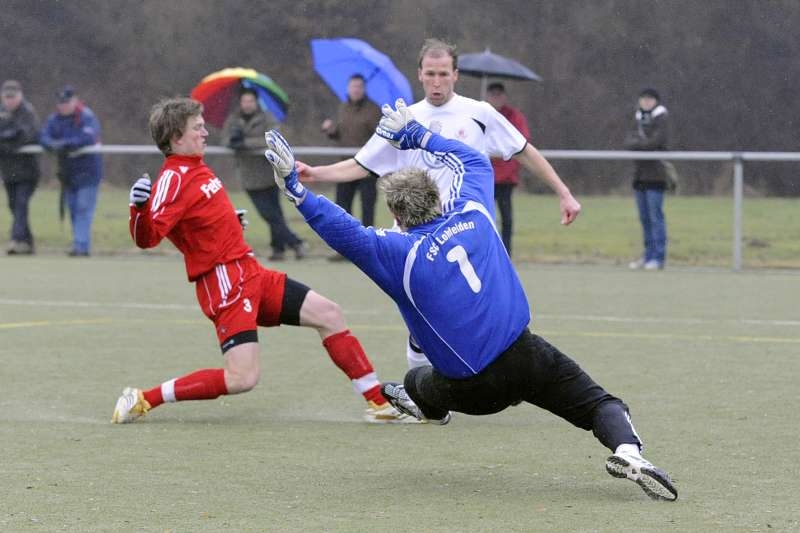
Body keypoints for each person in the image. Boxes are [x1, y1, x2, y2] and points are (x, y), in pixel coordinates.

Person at [263, 100, 677, 501]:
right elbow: (474, 161)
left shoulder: (398, 254)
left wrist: (297, 191)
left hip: (473, 389)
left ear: (398, 215)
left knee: (414, 382)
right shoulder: (475, 212)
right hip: (526, 353)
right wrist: (417, 135)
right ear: (440, 199)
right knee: (601, 404)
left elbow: (344, 231)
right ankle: (629, 452)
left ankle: (427, 405)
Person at [110, 97, 412, 424]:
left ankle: (378, 403)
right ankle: (143, 398)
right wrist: (138, 209)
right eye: (197, 128)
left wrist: (227, 223)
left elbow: (193, 221)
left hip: (251, 273)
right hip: (225, 284)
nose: (205, 133)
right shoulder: (173, 177)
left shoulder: (196, 165)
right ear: (175, 137)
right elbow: (149, 236)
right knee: (243, 378)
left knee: (329, 313)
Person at [298, 38, 581, 370]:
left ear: (456, 75)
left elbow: (523, 150)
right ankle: (424, 391)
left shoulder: (479, 114)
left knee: (482, 308)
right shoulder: (403, 119)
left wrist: (563, 191)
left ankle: (505, 373)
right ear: (419, 74)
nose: (436, 81)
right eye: (430, 73)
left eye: (443, 74)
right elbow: (362, 163)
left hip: (467, 234)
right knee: (421, 319)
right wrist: (316, 173)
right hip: (418, 239)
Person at [222, 88, 306, 262]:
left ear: (256, 102)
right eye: (244, 101)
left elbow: (272, 138)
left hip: (269, 174)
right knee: (268, 215)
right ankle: (294, 243)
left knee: (274, 214)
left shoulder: (267, 118)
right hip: (248, 176)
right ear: (240, 102)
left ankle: (280, 248)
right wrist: (233, 141)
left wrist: (245, 143)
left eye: (250, 101)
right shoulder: (233, 120)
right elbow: (225, 140)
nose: (247, 104)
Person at [320, 73, 382, 261]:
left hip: (366, 169)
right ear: (348, 88)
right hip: (345, 166)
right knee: (342, 208)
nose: (356, 90)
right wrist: (330, 129)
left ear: (364, 89)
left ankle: (367, 249)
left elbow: (380, 137)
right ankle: (345, 248)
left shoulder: (373, 110)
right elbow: (339, 133)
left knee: (367, 208)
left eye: (359, 87)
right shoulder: (342, 107)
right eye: (353, 86)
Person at [39, 85, 103, 257]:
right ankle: (81, 245)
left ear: (75, 101)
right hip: (68, 174)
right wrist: (54, 145)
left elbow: (88, 137)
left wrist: (65, 143)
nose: (63, 106)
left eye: (66, 102)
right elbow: (44, 137)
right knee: (73, 208)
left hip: (88, 173)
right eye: (61, 103)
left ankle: (80, 246)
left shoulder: (87, 117)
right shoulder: (55, 119)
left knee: (83, 208)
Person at [624, 88, 670, 271]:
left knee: (655, 217)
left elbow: (656, 142)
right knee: (644, 218)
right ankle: (648, 255)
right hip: (640, 175)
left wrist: (640, 145)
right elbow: (628, 141)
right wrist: (641, 145)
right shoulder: (637, 118)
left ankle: (658, 257)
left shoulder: (662, 118)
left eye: (650, 99)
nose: (646, 102)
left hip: (656, 176)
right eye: (643, 99)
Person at [485, 82, 530, 257]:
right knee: (486, 219)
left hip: (505, 179)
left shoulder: (514, 116)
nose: (496, 98)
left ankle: (506, 254)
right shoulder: (481, 115)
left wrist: (499, 149)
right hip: (486, 176)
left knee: (506, 218)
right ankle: (488, 254)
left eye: (499, 94)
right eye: (493, 94)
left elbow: (521, 142)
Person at [0, 80, 40, 255]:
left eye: (12, 97)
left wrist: (7, 141)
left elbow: (25, 136)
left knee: (20, 204)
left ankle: (16, 241)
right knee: (13, 205)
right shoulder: (2, 113)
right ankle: (28, 242)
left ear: (20, 96)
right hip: (9, 171)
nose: (9, 101)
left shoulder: (27, 112)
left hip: (27, 171)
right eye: (6, 97)